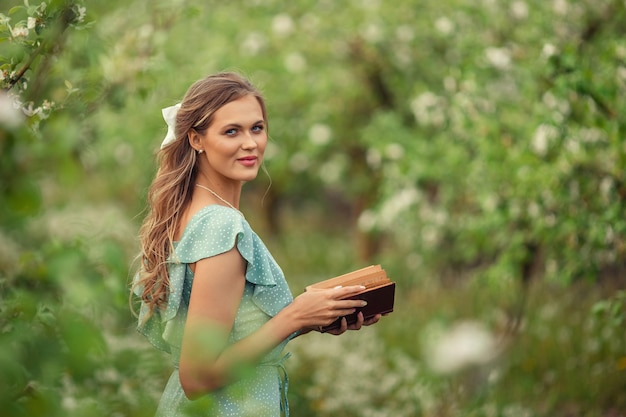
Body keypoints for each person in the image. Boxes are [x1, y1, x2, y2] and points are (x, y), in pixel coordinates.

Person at [132, 72, 381, 417]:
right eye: (231, 131)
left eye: (257, 128)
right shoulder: (222, 225)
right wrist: (293, 317)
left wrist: (311, 318)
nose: (250, 143)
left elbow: (234, 337)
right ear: (196, 139)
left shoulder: (195, 213)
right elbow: (197, 377)